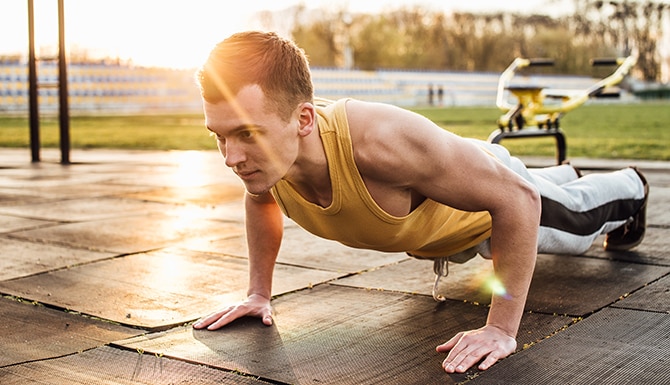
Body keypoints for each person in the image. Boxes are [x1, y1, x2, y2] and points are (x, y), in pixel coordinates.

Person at [192, 31, 648, 374]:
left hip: (492, 206)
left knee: (579, 223)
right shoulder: (269, 160)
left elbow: (517, 200)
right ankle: (561, 177)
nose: (231, 158)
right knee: (526, 192)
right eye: (220, 136)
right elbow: (261, 201)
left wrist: (501, 329)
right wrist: (258, 293)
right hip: (447, 198)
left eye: (247, 134)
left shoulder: (381, 142)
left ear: (304, 120)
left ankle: (630, 186)